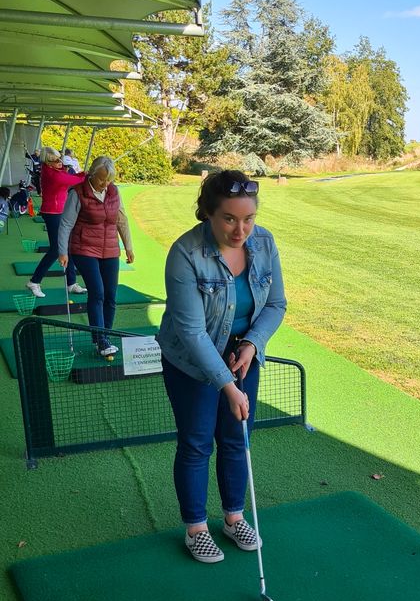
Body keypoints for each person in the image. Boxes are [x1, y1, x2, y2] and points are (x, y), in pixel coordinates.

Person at [157, 170, 287, 564]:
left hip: (241, 353)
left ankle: (233, 518)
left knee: (236, 438)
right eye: (229, 219)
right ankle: (196, 527)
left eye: (248, 219)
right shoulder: (185, 253)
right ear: (208, 214)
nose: (240, 229)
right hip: (191, 359)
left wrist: (252, 345)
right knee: (197, 442)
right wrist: (228, 387)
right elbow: (192, 332)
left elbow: (276, 305)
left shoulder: (263, 243)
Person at [57, 156, 134, 357]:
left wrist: (128, 247)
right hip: (84, 249)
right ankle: (101, 340)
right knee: (97, 293)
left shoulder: (114, 192)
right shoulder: (77, 193)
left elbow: (122, 220)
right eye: (101, 179)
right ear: (91, 174)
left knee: (110, 296)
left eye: (109, 180)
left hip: (109, 249)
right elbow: (65, 224)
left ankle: (104, 335)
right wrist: (62, 251)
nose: (105, 184)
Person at [27, 146, 85, 299]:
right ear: (48, 162)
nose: (60, 162)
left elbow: (74, 176)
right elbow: (73, 180)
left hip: (60, 211)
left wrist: (84, 173)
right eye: (56, 160)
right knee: (56, 249)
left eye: (60, 158)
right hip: (52, 213)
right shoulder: (52, 174)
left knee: (68, 246)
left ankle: (71, 283)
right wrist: (88, 175)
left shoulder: (56, 171)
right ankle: (34, 281)